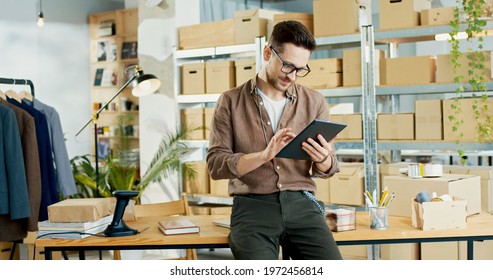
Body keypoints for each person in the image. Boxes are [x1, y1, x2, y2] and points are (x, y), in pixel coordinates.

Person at [206, 20, 342, 260]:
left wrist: (323, 160)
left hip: (302, 204)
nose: (293, 76)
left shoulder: (315, 102)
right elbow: (216, 165)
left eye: (301, 70)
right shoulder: (229, 101)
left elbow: (330, 167)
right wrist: (263, 156)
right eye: (288, 66)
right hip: (252, 207)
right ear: (268, 52)